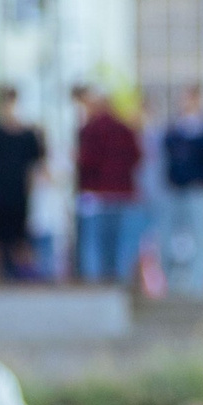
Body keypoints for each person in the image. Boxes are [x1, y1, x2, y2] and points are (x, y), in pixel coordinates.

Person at [73, 84, 147, 285]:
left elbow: (86, 160)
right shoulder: (125, 130)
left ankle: (95, 284)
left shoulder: (91, 129)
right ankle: (118, 281)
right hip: (122, 193)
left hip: (97, 194)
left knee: (95, 243)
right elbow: (137, 157)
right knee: (118, 243)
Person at [160, 84, 203, 299]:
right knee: (170, 240)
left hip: (199, 193)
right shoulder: (173, 133)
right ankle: (171, 284)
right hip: (176, 193)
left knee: (201, 239)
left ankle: (199, 285)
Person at [0, 84, 46, 282]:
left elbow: (35, 169)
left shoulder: (28, 135)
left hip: (18, 196)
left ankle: (27, 280)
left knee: (20, 241)